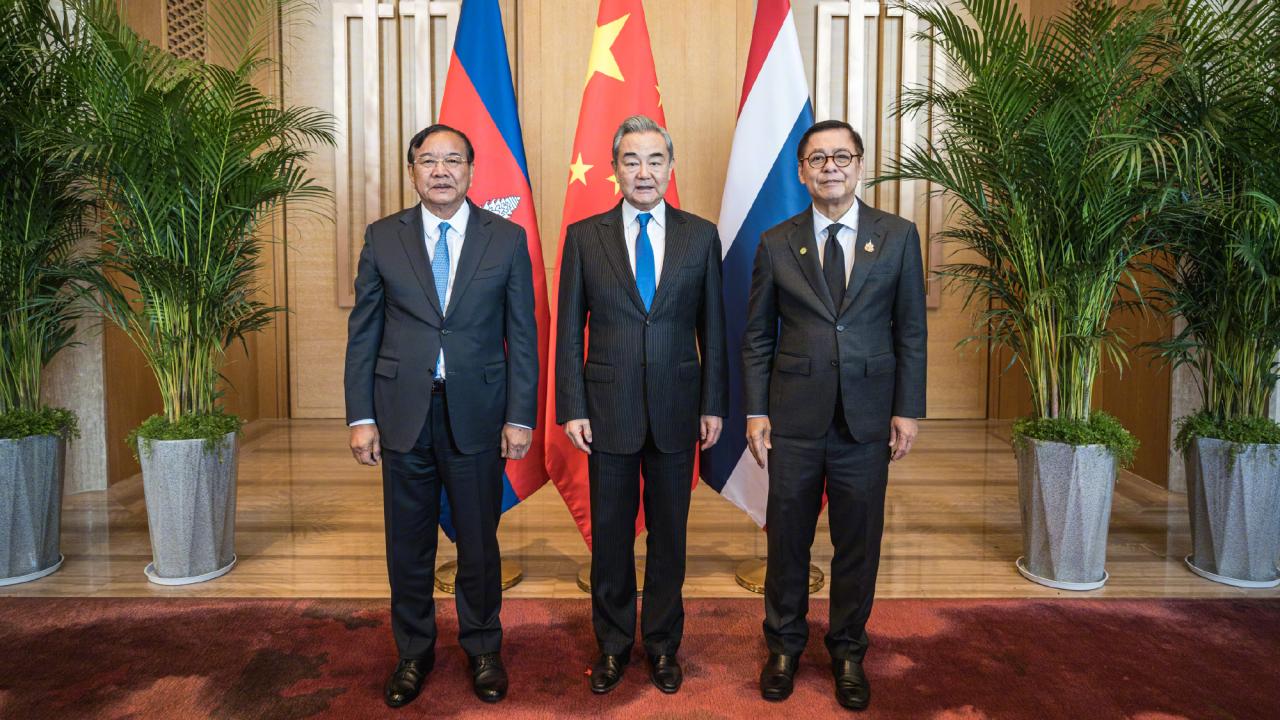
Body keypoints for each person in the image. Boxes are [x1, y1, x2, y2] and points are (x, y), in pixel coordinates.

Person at [344, 124, 538, 708]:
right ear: (412, 172)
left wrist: (521, 416)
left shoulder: (506, 239)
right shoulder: (383, 237)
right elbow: (364, 333)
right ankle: (413, 652)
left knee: (479, 543)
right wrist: (360, 416)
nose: (441, 171)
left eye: (453, 160)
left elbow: (522, 336)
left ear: (471, 171)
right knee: (408, 545)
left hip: (478, 413)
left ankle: (483, 647)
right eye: (428, 161)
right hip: (403, 413)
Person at [742, 119, 927, 711]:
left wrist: (907, 410)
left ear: (860, 165)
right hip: (793, 418)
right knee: (787, 542)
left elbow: (911, 332)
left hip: (866, 419)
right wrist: (754, 410)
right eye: (818, 158)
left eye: (842, 157)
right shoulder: (776, 241)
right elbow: (757, 337)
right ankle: (783, 648)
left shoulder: (898, 236)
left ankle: (848, 651)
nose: (830, 167)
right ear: (801, 172)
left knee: (859, 544)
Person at [555, 114, 728, 695]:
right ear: (614, 169)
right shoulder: (585, 237)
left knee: (669, 536)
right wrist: (572, 405)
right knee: (611, 536)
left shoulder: (700, 236)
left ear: (671, 167)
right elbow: (568, 330)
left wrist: (714, 403)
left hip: (679, 409)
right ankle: (611, 645)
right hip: (608, 410)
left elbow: (714, 329)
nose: (644, 171)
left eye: (655, 160)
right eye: (631, 160)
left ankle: (662, 645)